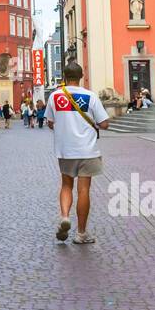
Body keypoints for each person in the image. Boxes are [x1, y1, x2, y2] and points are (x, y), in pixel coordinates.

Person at [46, 62, 111, 244]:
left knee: (66, 185)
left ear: (64, 77)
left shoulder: (55, 96)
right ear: (81, 76)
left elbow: (50, 122)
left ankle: (65, 216)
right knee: (84, 190)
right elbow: (105, 123)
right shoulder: (90, 96)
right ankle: (81, 233)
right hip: (88, 150)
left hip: (66, 150)